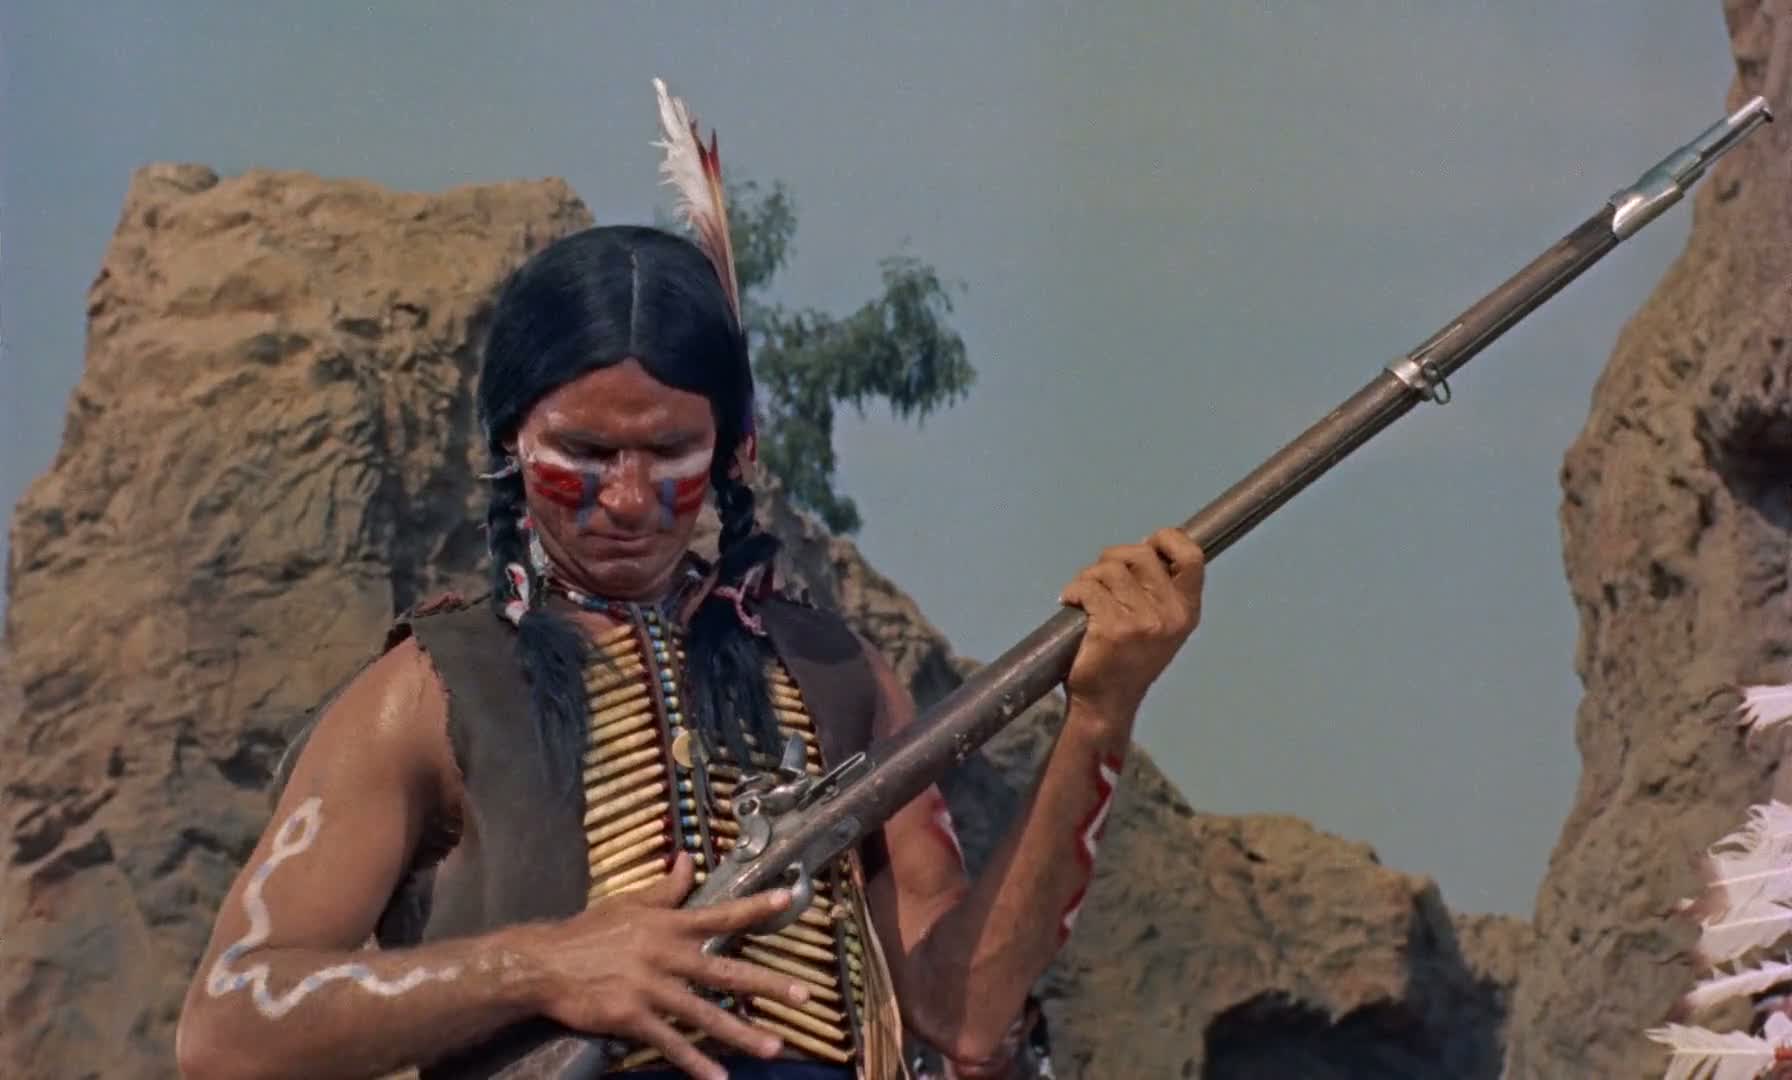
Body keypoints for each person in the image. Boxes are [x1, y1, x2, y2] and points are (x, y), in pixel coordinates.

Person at [175, 83, 1206, 1080]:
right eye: (583, 453)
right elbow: (227, 1025)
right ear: (508, 445)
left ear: (732, 451)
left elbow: (964, 1015)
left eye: (670, 453)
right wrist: (544, 965)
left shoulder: (835, 676)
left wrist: (1098, 717)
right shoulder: (428, 694)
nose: (627, 500)